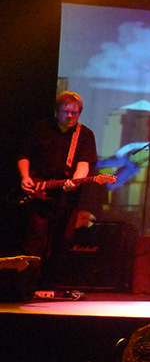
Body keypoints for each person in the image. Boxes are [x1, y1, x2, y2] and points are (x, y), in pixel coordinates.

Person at [17, 91, 98, 289]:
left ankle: (49, 285)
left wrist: (75, 181)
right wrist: (25, 177)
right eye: (66, 111)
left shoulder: (84, 134)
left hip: (67, 196)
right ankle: (27, 283)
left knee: (62, 238)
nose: (70, 116)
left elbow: (84, 164)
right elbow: (24, 155)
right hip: (38, 191)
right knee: (35, 238)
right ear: (57, 111)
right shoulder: (41, 128)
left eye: (75, 112)